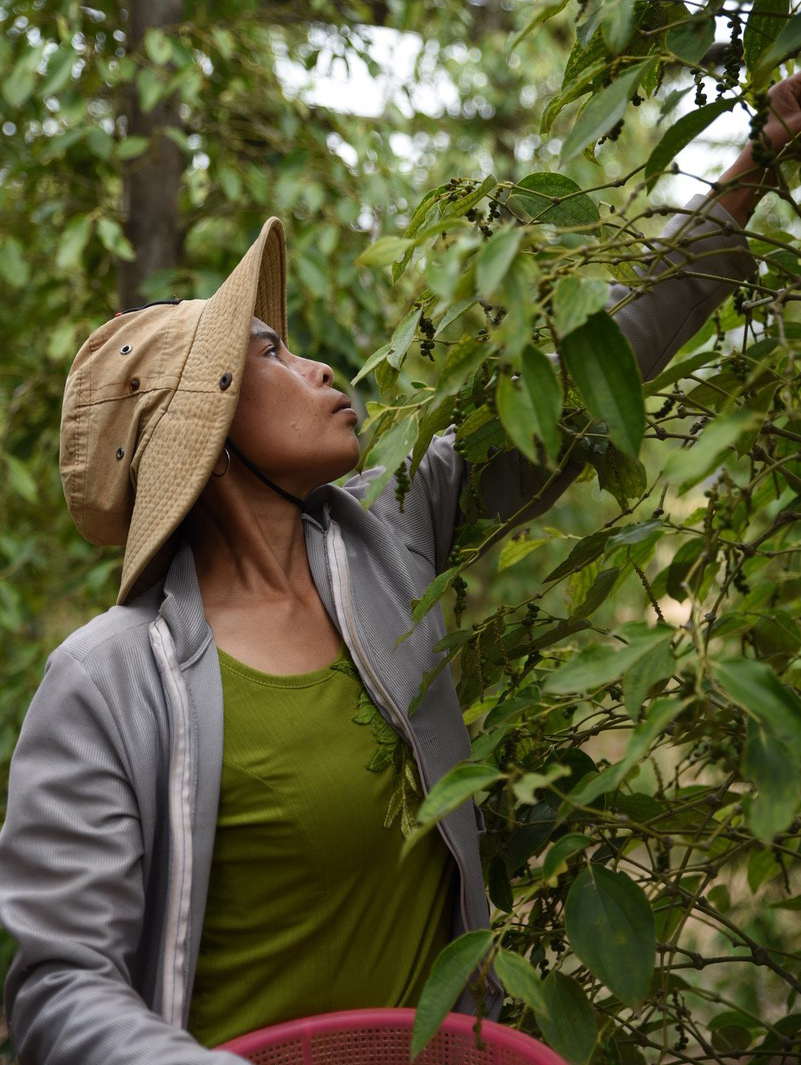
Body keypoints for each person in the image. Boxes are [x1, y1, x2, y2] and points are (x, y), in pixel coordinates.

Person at [1, 73, 800, 1065]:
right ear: (196, 436)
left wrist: (751, 173)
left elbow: (597, 369)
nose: (320, 367)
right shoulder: (110, 679)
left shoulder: (389, 532)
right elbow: (59, 985)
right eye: (270, 356)